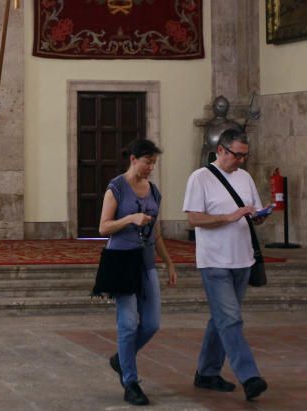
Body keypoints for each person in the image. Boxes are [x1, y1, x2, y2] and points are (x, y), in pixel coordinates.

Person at [182, 128, 269, 402]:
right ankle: (250, 376)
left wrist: (258, 216)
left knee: (221, 318)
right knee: (230, 318)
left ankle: (206, 373)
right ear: (221, 150)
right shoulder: (201, 178)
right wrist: (229, 217)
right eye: (237, 154)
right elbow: (194, 219)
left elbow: (250, 210)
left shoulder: (245, 177)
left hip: (243, 259)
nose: (241, 160)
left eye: (245, 155)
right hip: (214, 261)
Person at [98, 138, 178, 406]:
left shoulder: (154, 192)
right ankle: (130, 381)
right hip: (121, 260)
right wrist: (130, 218)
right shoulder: (117, 188)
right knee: (128, 323)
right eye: (147, 162)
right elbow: (103, 228)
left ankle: (121, 359)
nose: (150, 168)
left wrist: (168, 262)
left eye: (154, 163)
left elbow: (156, 233)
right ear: (133, 159)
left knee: (152, 323)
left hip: (145, 262)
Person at [199, 95, 242, 165]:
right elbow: (205, 148)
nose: (220, 108)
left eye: (222, 106)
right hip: (211, 159)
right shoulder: (209, 125)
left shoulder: (233, 126)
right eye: (219, 106)